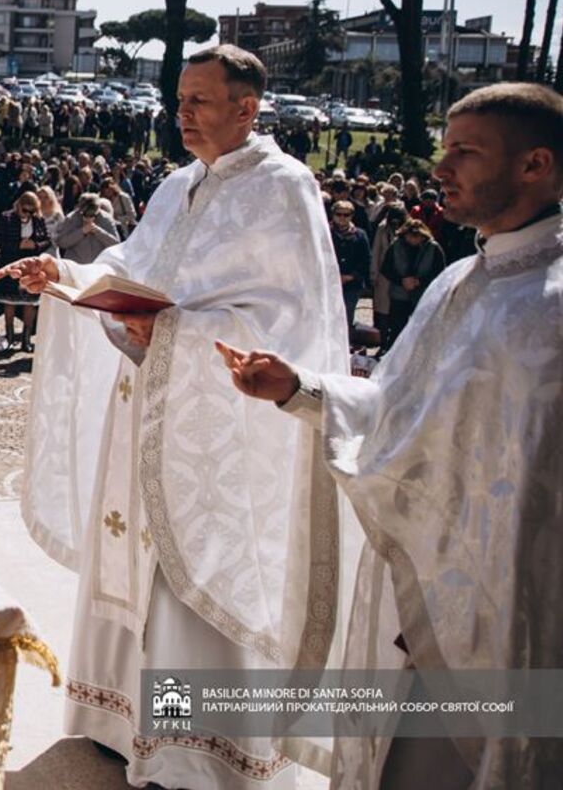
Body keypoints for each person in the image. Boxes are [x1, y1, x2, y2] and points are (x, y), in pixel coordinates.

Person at [6, 46, 350, 788]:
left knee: (195, 569)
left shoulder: (284, 188)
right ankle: (121, 720)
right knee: (136, 558)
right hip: (149, 405)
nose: (182, 114)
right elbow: (135, 268)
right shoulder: (174, 185)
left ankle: (200, 752)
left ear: (247, 108)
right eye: (180, 100)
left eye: (199, 101)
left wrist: (179, 335)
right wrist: (68, 277)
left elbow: (287, 316)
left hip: (222, 423)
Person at [220, 83, 563, 790]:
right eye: (444, 149)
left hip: (514, 614)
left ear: (536, 165)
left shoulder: (552, 302)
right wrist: (299, 389)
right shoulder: (460, 277)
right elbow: (396, 406)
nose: (442, 168)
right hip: (425, 593)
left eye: (466, 152)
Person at [0, 190, 50, 350]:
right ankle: (9, 336)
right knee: (10, 300)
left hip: (31, 265)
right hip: (11, 262)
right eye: (25, 210)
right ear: (19, 206)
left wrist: (35, 245)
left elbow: (47, 240)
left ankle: (26, 338)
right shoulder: (7, 218)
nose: (27, 214)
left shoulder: (38, 220)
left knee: (30, 300)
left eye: (31, 211)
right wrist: (17, 245)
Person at [379, 217, 445, 348]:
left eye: (418, 236)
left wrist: (419, 281)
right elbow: (386, 268)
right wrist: (401, 280)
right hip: (399, 294)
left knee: (421, 329)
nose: (414, 239)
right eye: (411, 236)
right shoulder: (395, 245)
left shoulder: (434, 248)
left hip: (423, 295)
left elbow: (440, 271)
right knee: (397, 328)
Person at [329, 198, 372, 326]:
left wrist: (351, 276)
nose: (342, 217)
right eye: (339, 214)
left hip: (352, 283)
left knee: (346, 317)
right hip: (329, 282)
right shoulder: (325, 232)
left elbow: (365, 258)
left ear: (351, 216)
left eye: (346, 214)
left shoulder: (360, 234)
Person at [53, 192, 120, 265]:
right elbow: (62, 242)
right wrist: (82, 231)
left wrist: (97, 231)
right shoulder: (71, 218)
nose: (89, 216)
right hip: (77, 265)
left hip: (99, 265)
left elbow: (115, 244)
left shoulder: (106, 219)